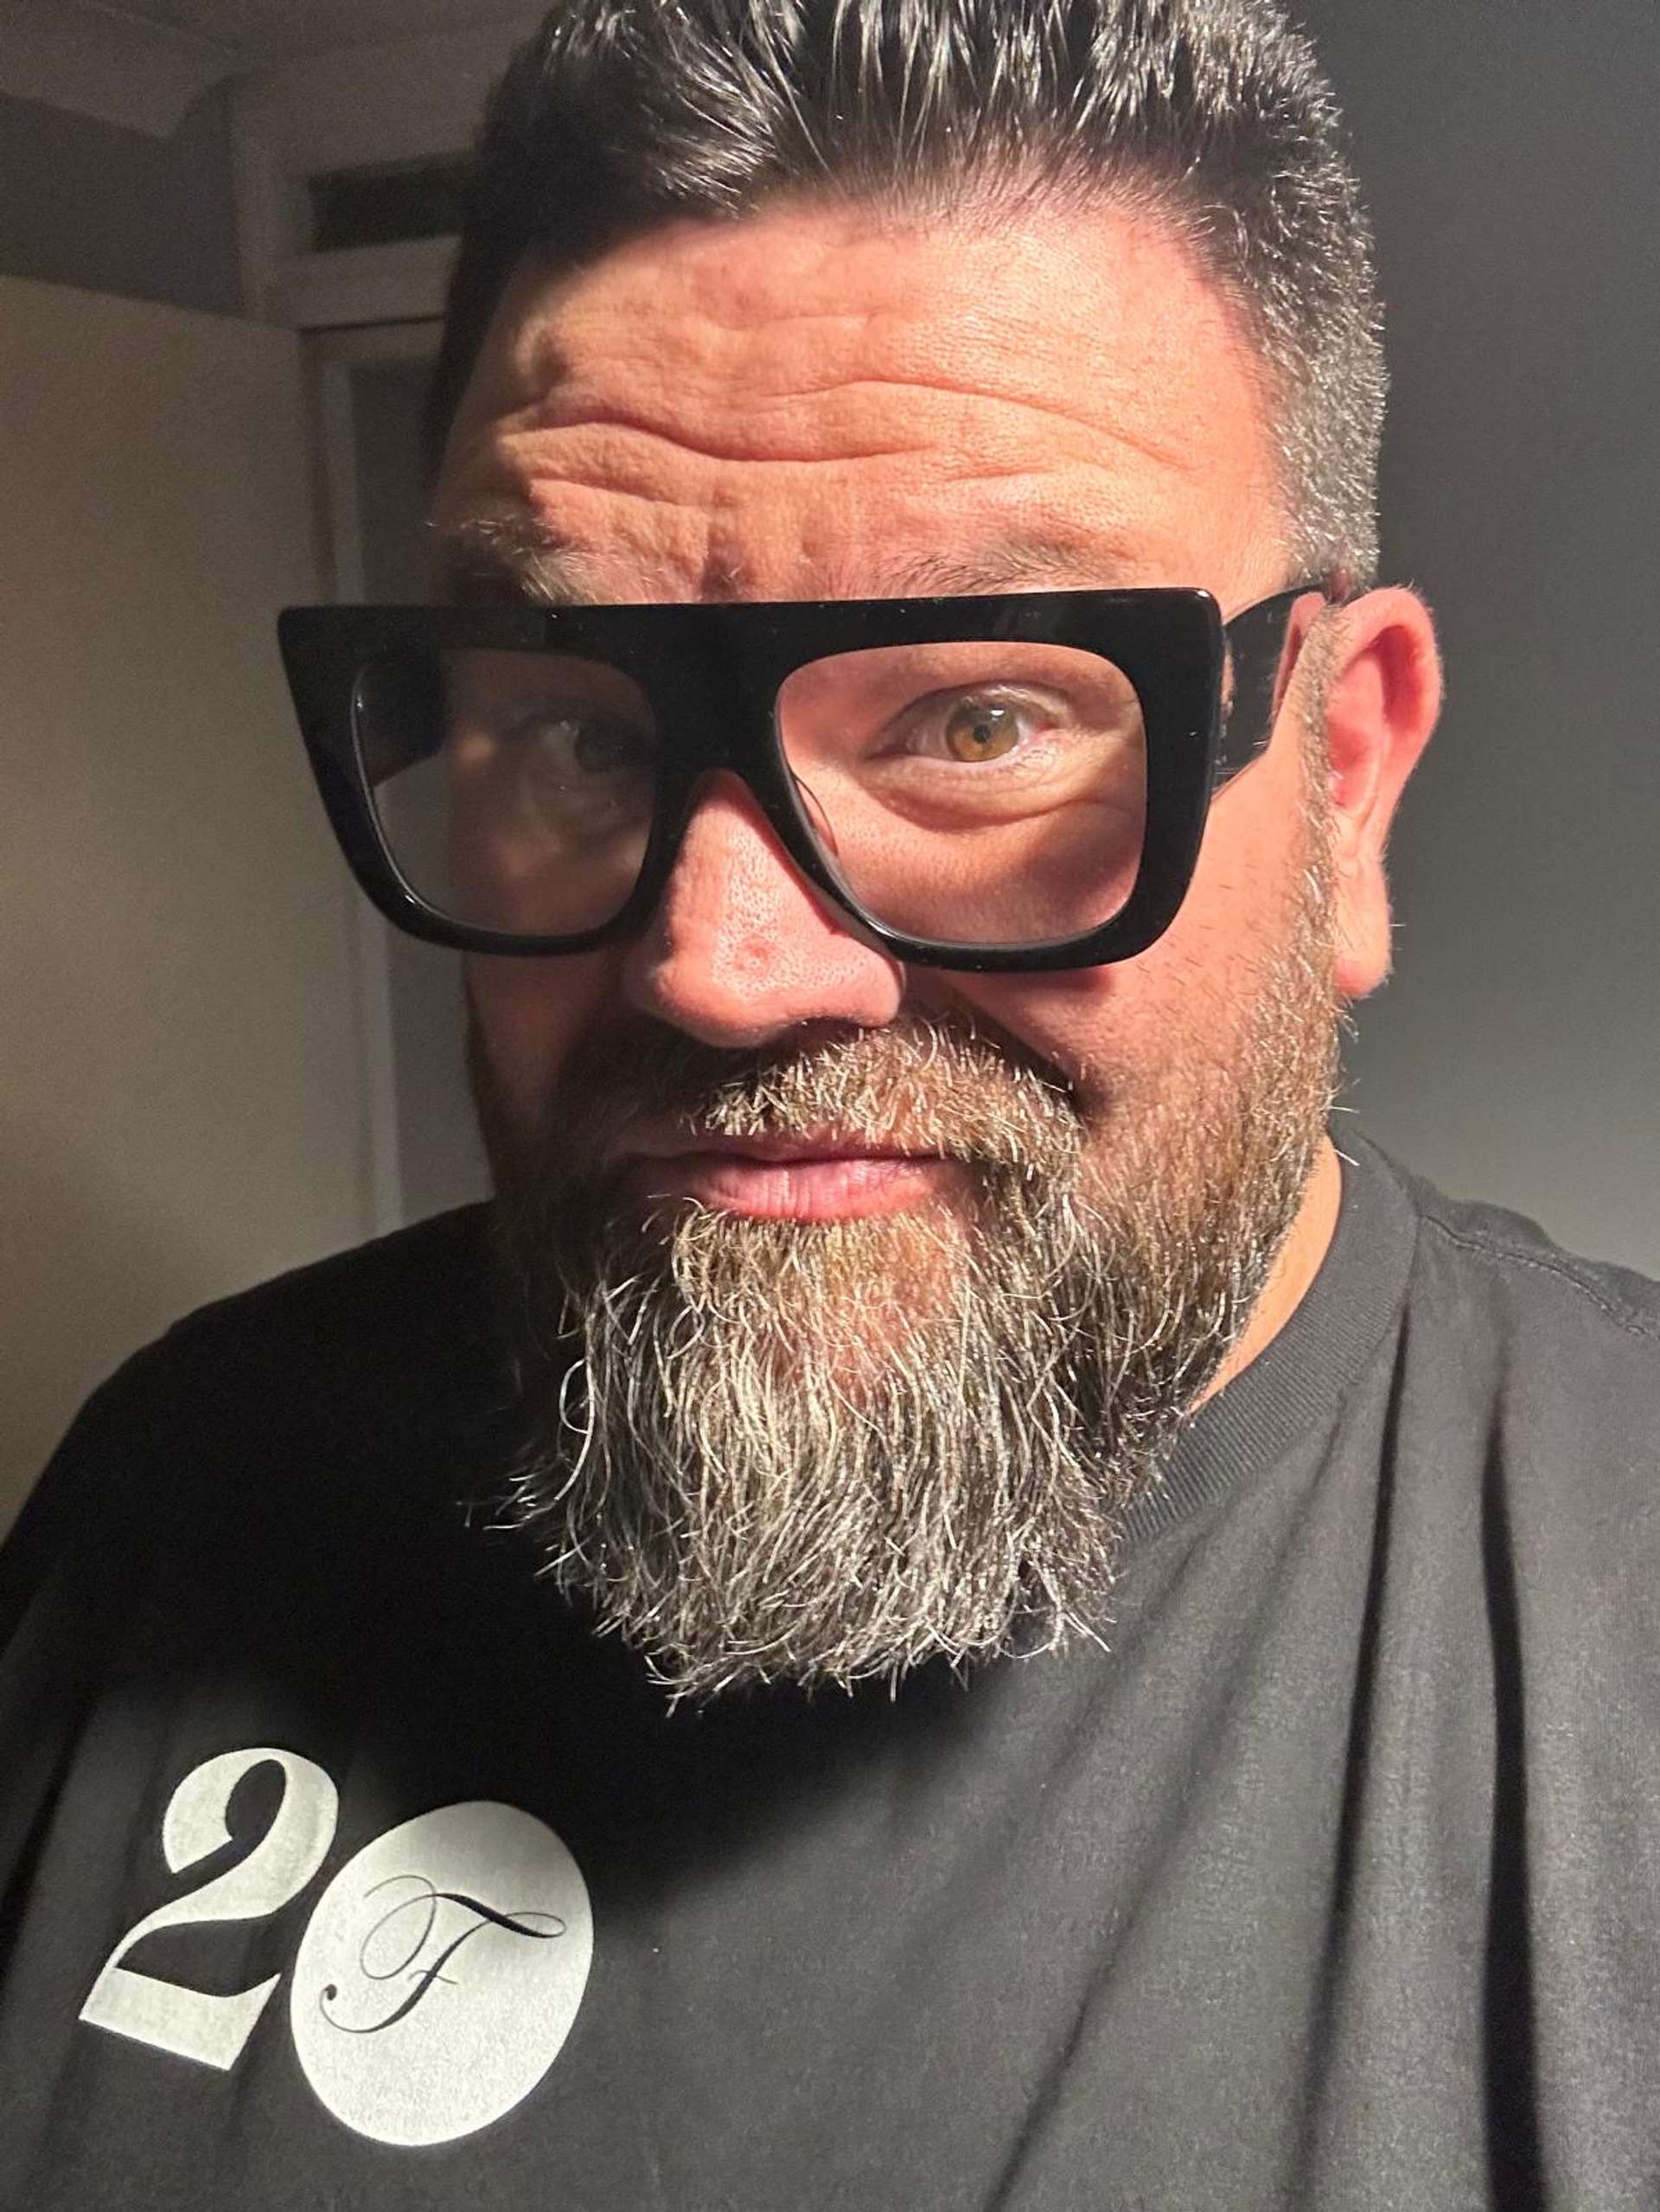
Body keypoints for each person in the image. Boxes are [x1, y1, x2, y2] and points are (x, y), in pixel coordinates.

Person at [3, 2, 1657, 2203]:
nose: (720, 962)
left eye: (980, 721)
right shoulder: (178, 1490)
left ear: (1343, 782)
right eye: (580, 731)